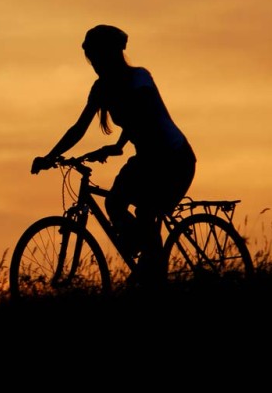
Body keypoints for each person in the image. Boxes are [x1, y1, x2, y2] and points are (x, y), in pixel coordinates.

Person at [31, 24, 196, 286]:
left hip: (173, 159)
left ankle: (151, 274)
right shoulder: (101, 89)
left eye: (96, 56)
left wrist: (118, 144)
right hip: (148, 159)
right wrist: (50, 156)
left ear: (110, 55)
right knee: (121, 206)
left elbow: (144, 117)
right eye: (91, 58)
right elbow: (78, 129)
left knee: (142, 210)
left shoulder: (139, 78)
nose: (94, 64)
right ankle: (149, 270)